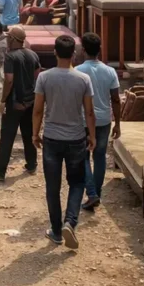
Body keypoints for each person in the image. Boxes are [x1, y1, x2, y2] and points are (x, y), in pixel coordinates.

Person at [33, 35, 96, 249]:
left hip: (51, 138)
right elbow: (89, 111)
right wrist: (93, 136)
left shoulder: (44, 78)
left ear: (55, 52)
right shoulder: (83, 79)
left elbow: (38, 109)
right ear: (74, 54)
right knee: (77, 183)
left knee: (53, 186)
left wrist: (35, 134)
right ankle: (70, 221)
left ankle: (57, 232)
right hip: (76, 138)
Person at [0, 25, 41, 181]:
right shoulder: (33, 54)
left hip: (15, 103)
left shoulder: (10, 56)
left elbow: (9, 80)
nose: (7, 40)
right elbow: (38, 76)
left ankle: (0, 171)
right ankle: (32, 164)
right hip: (29, 103)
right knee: (28, 134)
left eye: (9, 37)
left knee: (7, 137)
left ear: (13, 39)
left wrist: (3, 100)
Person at [75, 32, 121, 210]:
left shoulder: (78, 71)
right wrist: (118, 123)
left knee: (83, 156)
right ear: (99, 50)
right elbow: (116, 99)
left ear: (84, 50)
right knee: (100, 156)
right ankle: (97, 194)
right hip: (104, 120)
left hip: (84, 120)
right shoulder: (110, 71)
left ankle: (92, 194)